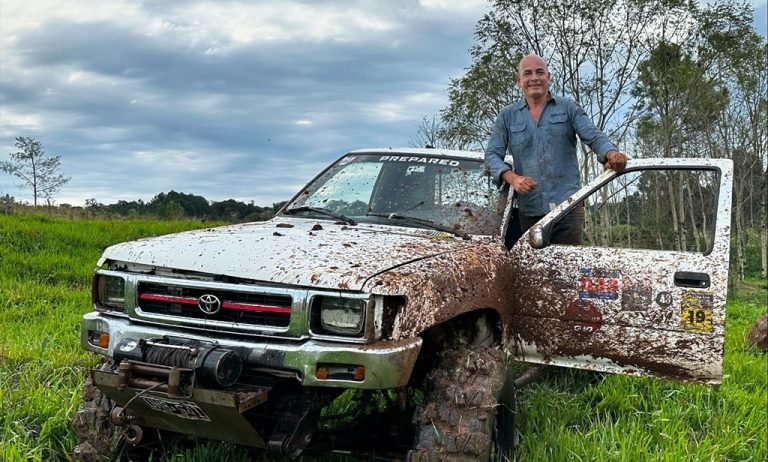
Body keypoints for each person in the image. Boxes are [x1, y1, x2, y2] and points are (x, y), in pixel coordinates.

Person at [485, 54, 628, 245]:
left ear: (548, 77)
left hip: (567, 209)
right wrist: (513, 178)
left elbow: (593, 136)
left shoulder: (568, 107)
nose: (534, 78)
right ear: (518, 81)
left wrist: (611, 154)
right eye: (527, 74)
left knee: (566, 262)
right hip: (530, 211)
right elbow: (492, 155)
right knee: (531, 263)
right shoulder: (507, 116)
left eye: (540, 72)